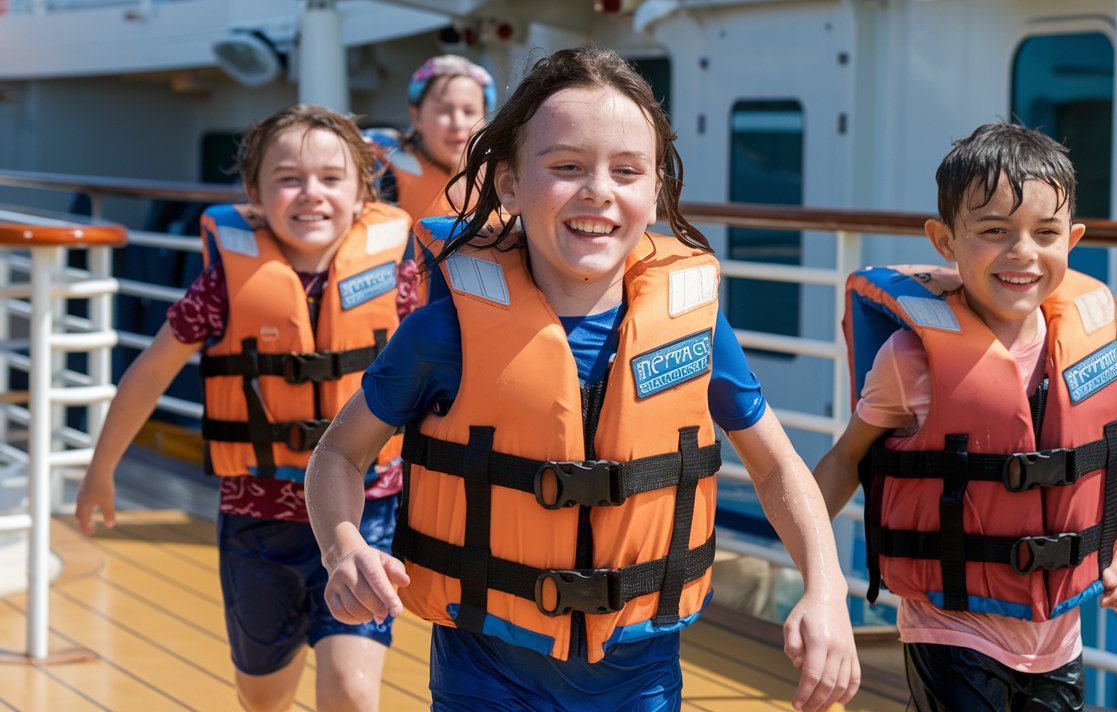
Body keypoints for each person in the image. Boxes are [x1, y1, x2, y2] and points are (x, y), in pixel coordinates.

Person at [305, 47, 860, 712]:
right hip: (486, 672)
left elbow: (776, 468)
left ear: (655, 191)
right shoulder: (443, 333)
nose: (598, 190)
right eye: (566, 167)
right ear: (508, 184)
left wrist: (825, 590)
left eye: (626, 171)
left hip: (639, 676)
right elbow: (340, 452)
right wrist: (343, 546)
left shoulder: (695, 328)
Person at [76, 103, 414, 712]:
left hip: (366, 514)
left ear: (363, 191)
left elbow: (446, 377)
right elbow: (150, 372)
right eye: (288, 178)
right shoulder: (222, 286)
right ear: (254, 194)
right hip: (257, 521)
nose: (310, 194)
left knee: (352, 692)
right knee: (263, 697)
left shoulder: (398, 274)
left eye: (331, 178)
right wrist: (102, 470)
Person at [813, 122, 1117, 711]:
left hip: (1058, 637)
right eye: (994, 231)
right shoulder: (909, 361)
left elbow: (1106, 460)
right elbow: (847, 458)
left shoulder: (1091, 350)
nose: (1023, 252)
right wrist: (814, 568)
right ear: (944, 240)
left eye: (1045, 232)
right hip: (950, 628)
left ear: (1073, 239)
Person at [365, 54, 496, 223]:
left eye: (469, 111)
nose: (458, 124)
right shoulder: (381, 171)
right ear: (416, 116)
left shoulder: (505, 175)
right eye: (444, 111)